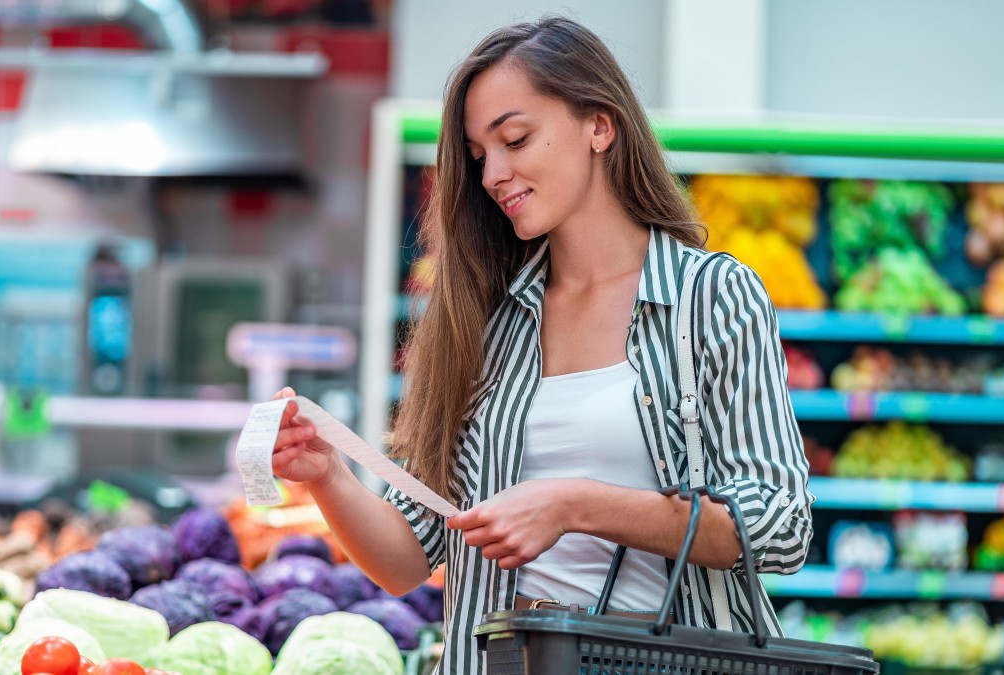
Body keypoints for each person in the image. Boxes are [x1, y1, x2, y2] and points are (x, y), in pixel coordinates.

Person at [271, 15, 812, 675]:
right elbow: (407, 558)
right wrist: (327, 473)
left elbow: (780, 526)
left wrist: (574, 503)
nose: (494, 173)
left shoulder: (711, 297)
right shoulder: (486, 320)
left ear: (599, 126)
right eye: (479, 155)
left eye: (515, 138)